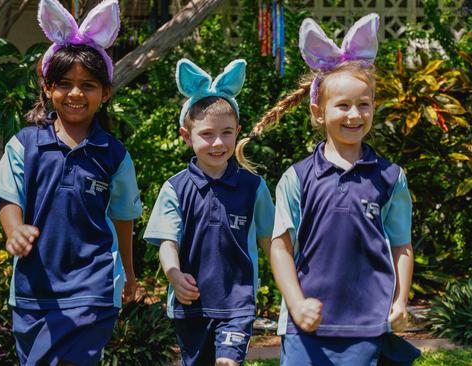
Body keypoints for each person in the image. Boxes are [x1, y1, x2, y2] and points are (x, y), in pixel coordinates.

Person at [236, 13, 420, 366]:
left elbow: (402, 246)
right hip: (305, 330)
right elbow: (280, 247)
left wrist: (399, 301)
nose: (354, 115)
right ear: (318, 112)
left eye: (363, 105)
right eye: (343, 105)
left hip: (367, 327)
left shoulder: (391, 178)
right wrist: (296, 302)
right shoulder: (297, 177)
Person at [0, 0, 142, 364]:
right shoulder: (25, 143)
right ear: (48, 88)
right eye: (65, 84)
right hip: (33, 291)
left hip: (93, 288)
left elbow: (122, 218)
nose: (75, 94)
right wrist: (14, 230)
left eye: (88, 85)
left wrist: (130, 277)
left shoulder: (114, 155)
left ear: (104, 94)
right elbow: (8, 195)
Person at [143, 58, 275, 366]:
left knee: (227, 363)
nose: (218, 143)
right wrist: (174, 275)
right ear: (186, 136)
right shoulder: (175, 188)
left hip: (237, 301)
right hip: (191, 304)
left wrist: (293, 285)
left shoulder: (254, 187)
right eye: (206, 134)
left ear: (238, 132)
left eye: (227, 133)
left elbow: (272, 242)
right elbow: (167, 242)